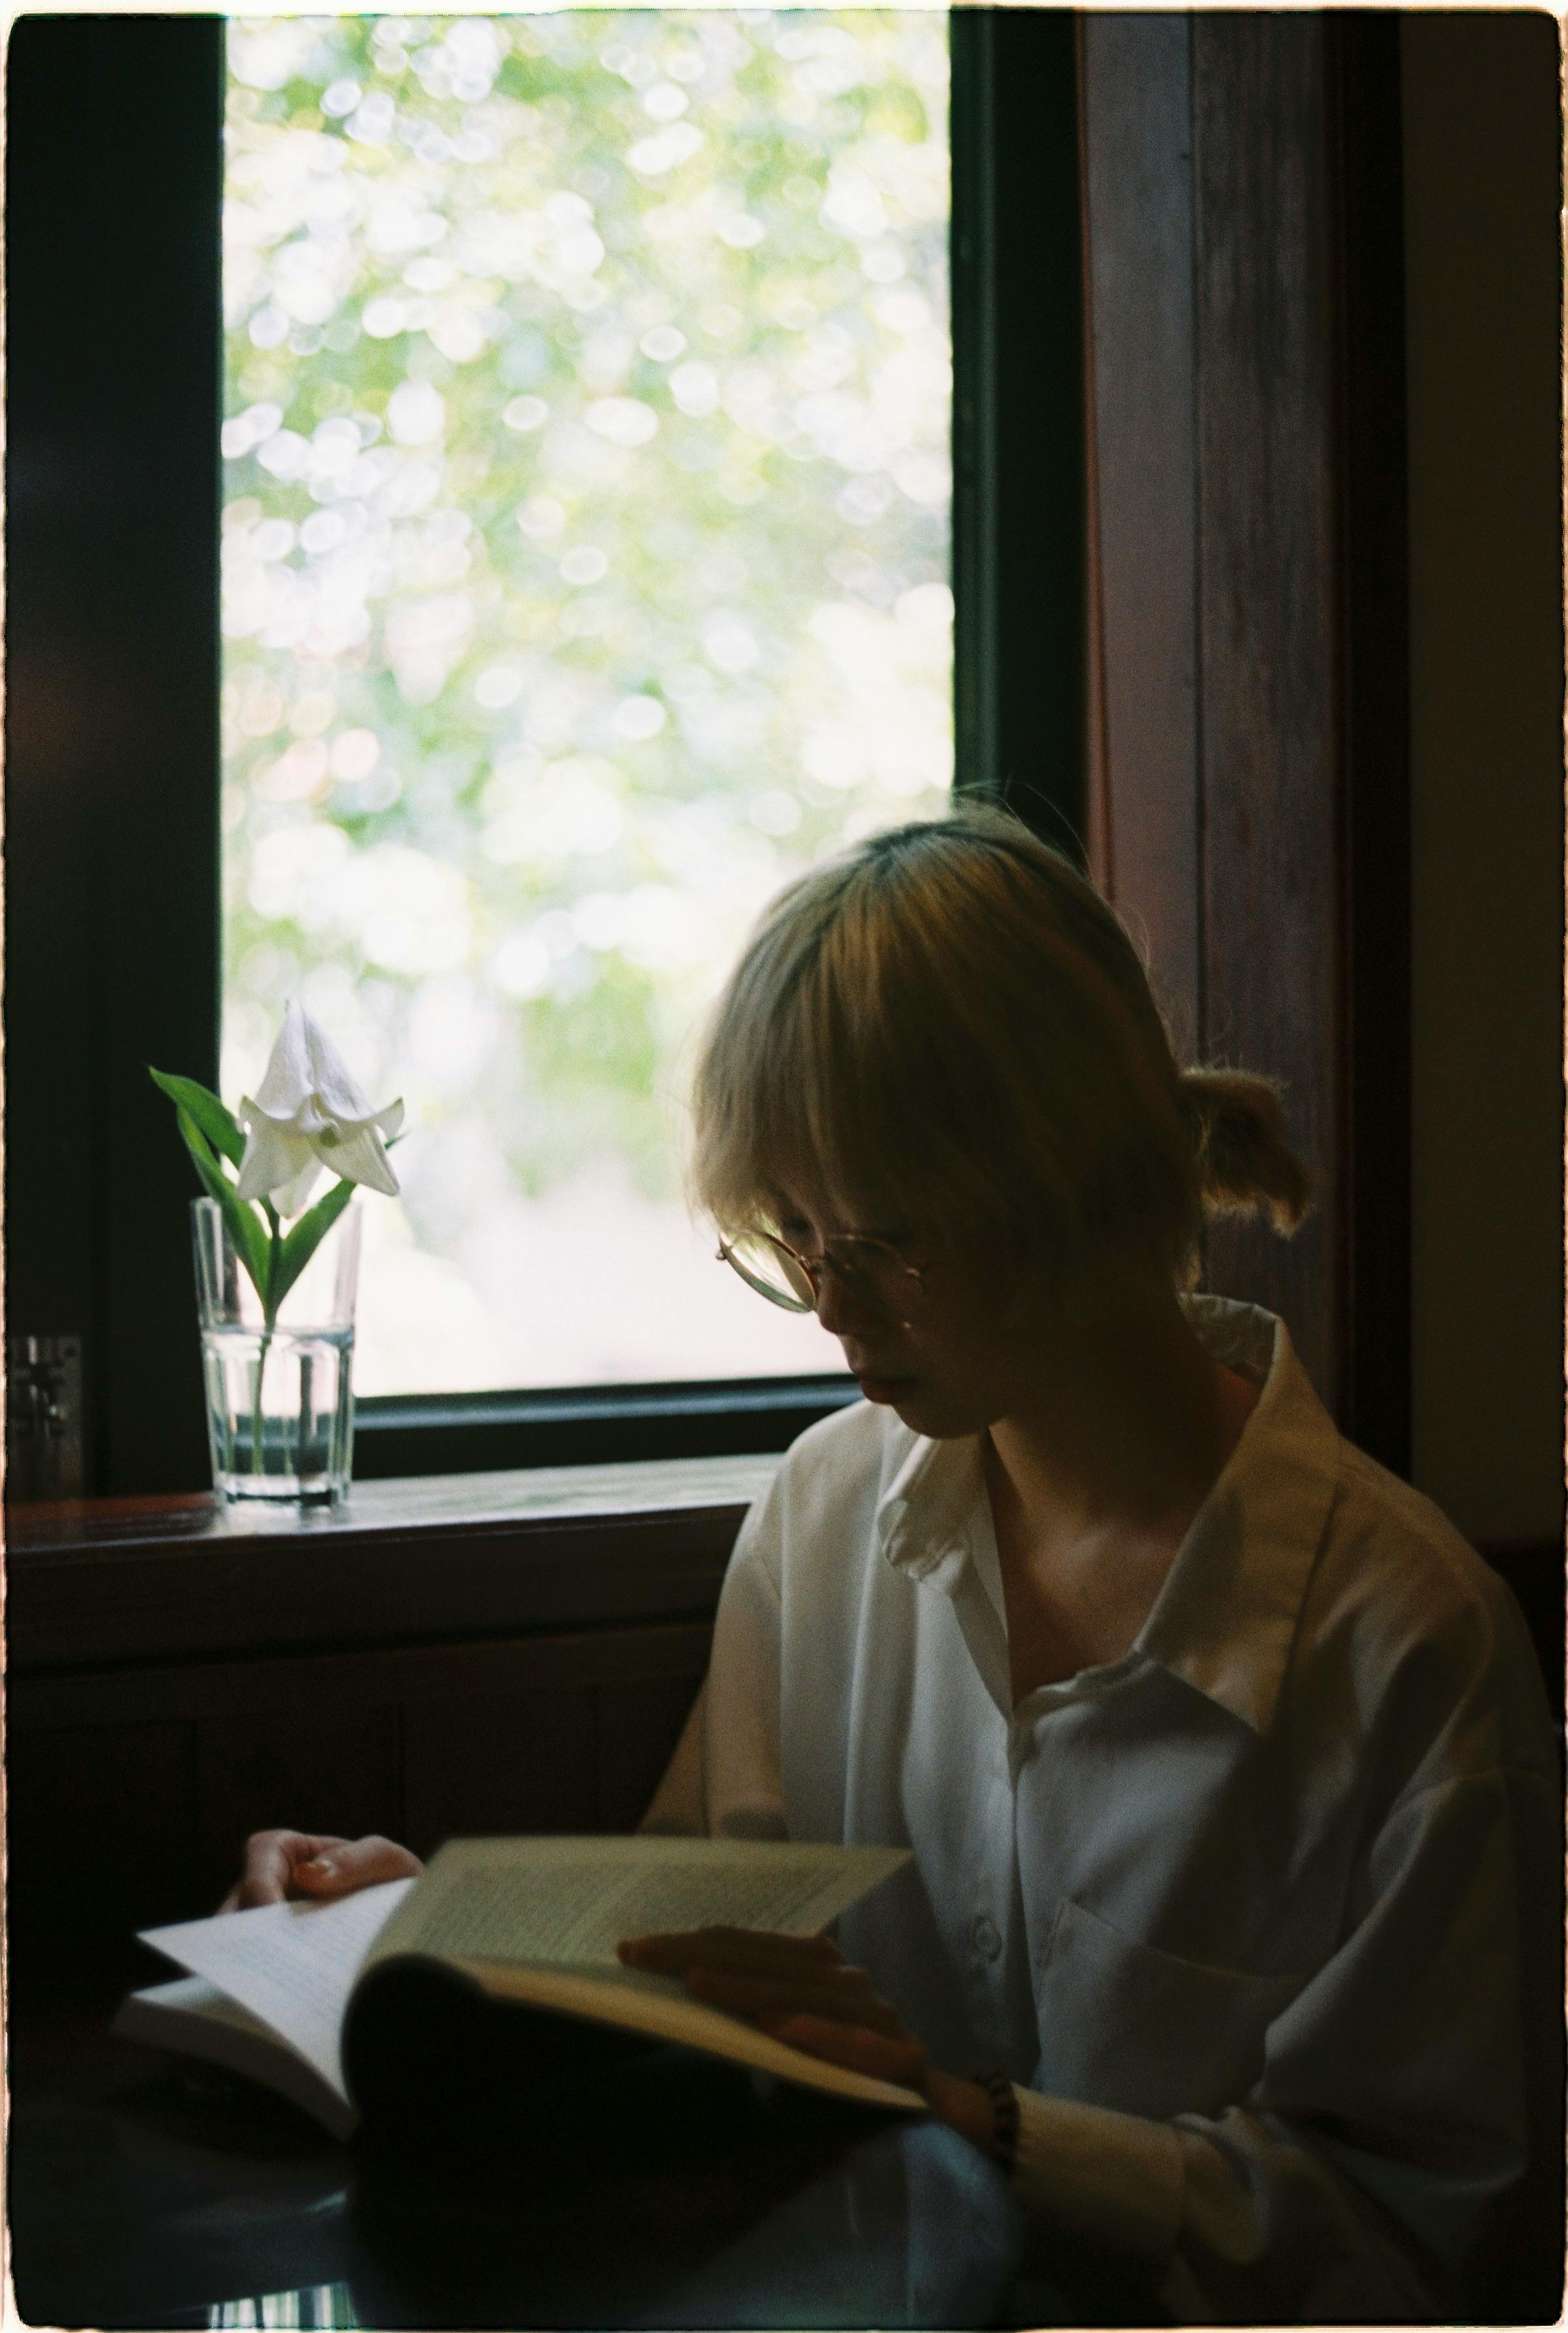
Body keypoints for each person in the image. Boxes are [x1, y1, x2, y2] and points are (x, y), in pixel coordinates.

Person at [226, 807, 1560, 2323]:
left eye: (883, 1242)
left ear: (1062, 1176)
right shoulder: (827, 1509)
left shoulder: (1401, 1642)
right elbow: (712, 1953)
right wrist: (434, 1932)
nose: (828, 1311)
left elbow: (1428, 2246)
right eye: (793, 1237)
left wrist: (975, 2121)